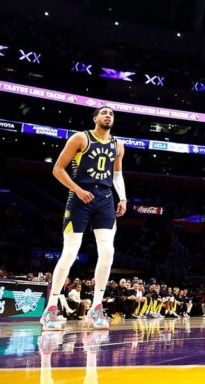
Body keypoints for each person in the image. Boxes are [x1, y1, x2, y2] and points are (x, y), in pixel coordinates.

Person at [39, 106, 127, 331]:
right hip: (79, 199)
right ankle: (50, 309)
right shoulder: (80, 138)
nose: (108, 116)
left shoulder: (118, 145)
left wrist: (123, 198)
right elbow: (58, 169)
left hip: (105, 200)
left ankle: (96, 307)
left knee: (108, 252)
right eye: (104, 113)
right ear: (95, 118)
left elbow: (117, 174)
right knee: (70, 252)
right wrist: (77, 189)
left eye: (112, 114)